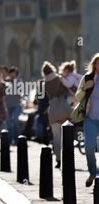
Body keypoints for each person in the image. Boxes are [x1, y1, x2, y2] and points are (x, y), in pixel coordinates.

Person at [42, 61, 73, 169]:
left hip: (53, 111)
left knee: (56, 137)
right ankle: (68, 157)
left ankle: (58, 159)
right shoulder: (59, 78)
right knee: (68, 133)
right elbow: (71, 89)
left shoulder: (45, 82)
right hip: (64, 108)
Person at [76, 53, 99, 187]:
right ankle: (92, 172)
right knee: (89, 147)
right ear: (94, 64)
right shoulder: (88, 78)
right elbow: (78, 97)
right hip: (90, 118)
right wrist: (85, 88)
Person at [5, 66, 22, 145]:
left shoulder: (19, 82)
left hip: (16, 105)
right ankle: (9, 138)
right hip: (8, 105)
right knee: (9, 122)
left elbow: (20, 92)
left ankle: (17, 138)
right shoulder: (6, 82)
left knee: (15, 120)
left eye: (14, 73)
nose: (12, 75)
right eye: (11, 73)